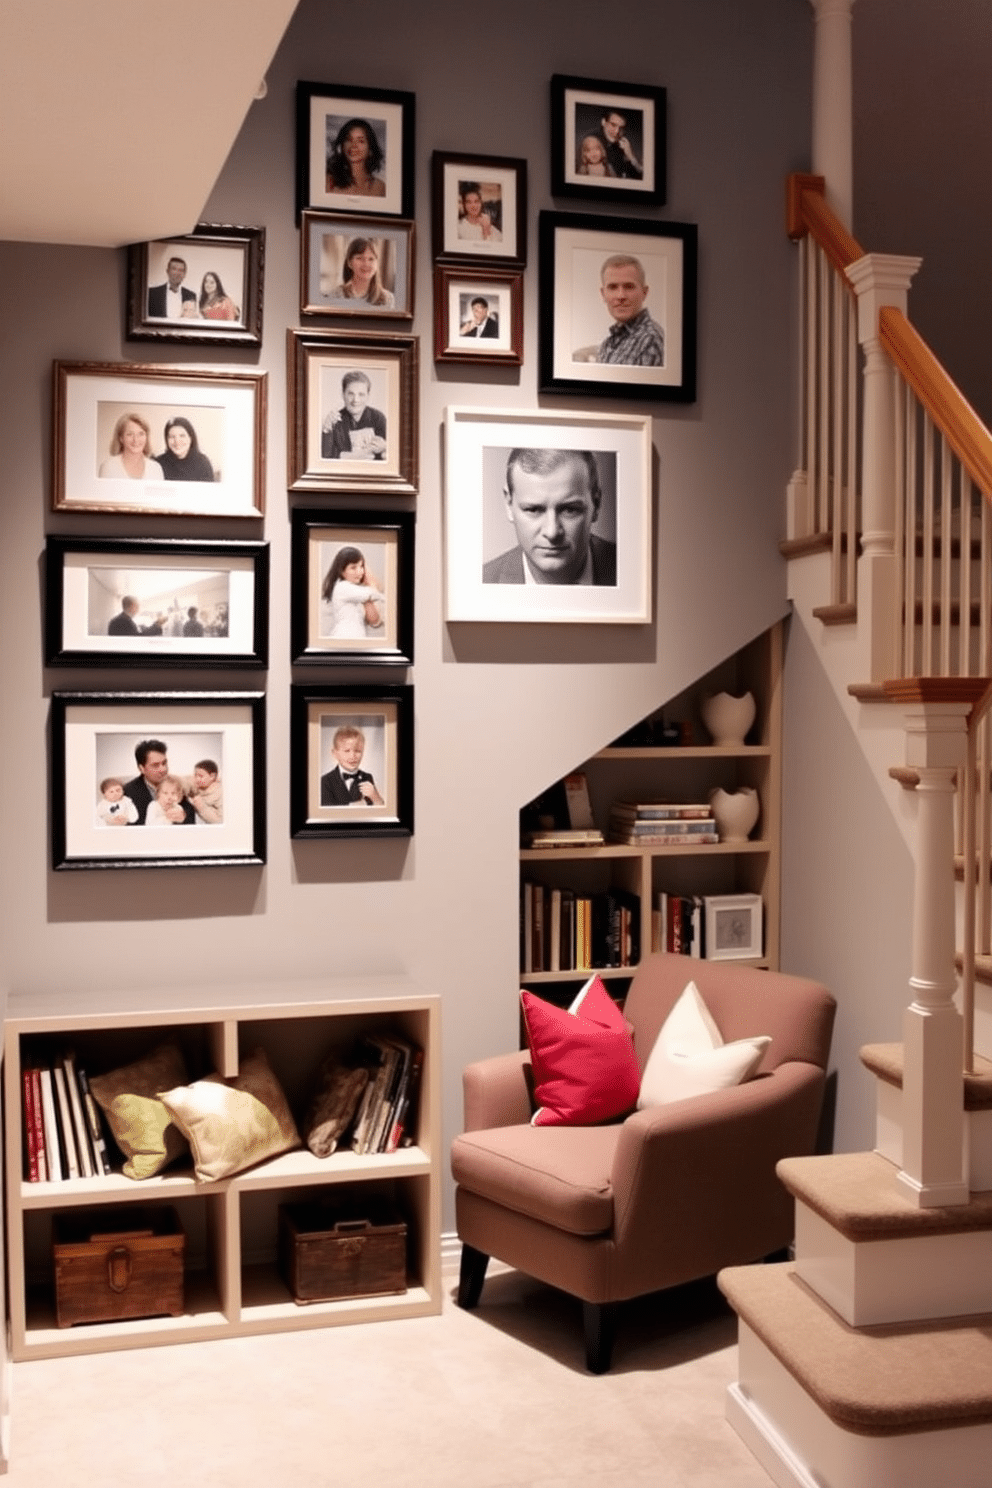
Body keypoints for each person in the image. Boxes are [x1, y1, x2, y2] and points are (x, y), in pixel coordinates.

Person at [482, 448, 617, 587]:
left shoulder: (635, 574)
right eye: (533, 510)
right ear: (509, 504)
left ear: (596, 504)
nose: (552, 533)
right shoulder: (478, 586)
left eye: (569, 510)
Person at [594, 254, 665, 367]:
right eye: (612, 287)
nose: (621, 295)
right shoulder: (606, 344)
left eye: (629, 286)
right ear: (603, 294)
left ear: (644, 293)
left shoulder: (650, 341)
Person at [122, 739, 196, 825]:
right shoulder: (127, 792)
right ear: (141, 768)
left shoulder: (176, 783)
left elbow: (190, 813)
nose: (163, 769)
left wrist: (183, 815)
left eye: (164, 763)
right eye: (155, 765)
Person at [320, 546, 386, 639]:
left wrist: (367, 586)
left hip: (355, 640)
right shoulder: (342, 587)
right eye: (353, 567)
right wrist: (370, 582)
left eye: (361, 566)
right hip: (343, 638)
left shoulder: (358, 592)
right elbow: (373, 593)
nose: (360, 571)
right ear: (341, 571)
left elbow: (375, 622)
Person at [321, 370, 387, 461]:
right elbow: (326, 457)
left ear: (368, 396)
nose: (356, 400)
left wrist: (386, 447)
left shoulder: (378, 418)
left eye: (361, 394)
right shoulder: (335, 421)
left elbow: (391, 457)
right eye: (351, 394)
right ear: (343, 394)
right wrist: (326, 430)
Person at [320, 725, 384, 806]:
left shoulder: (367, 777)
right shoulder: (325, 781)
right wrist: (357, 805)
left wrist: (375, 797)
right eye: (347, 751)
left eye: (358, 751)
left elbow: (380, 811)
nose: (352, 756)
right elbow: (326, 813)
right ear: (335, 753)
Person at [326, 118, 386, 197]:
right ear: (341, 147)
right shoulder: (328, 181)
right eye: (349, 139)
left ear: (370, 150)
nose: (353, 146)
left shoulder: (380, 188)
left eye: (361, 141)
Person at [330, 237, 394, 308]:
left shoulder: (388, 299)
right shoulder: (336, 295)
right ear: (349, 263)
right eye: (360, 258)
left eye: (371, 259)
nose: (366, 264)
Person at [98, 412, 164, 481]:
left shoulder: (156, 468)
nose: (136, 439)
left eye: (141, 434)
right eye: (130, 434)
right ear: (121, 438)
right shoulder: (108, 467)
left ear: (146, 437)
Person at [156, 416, 215, 482]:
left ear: (190, 438)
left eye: (182, 436)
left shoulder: (203, 463)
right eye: (172, 436)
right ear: (166, 440)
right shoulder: (158, 464)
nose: (177, 441)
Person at [595, 109, 643, 179]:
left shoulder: (620, 146)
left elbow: (638, 178)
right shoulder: (592, 141)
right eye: (613, 125)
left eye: (621, 128)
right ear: (603, 122)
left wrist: (630, 156)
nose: (617, 131)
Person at [183, 759, 223, 825]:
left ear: (212, 776)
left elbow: (220, 821)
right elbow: (185, 780)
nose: (197, 779)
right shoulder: (199, 784)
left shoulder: (219, 793)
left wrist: (202, 807)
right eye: (196, 775)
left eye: (201, 776)